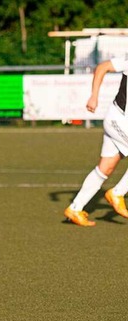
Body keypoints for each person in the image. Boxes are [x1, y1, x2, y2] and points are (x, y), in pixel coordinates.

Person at [65, 57, 128, 226]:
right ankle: (118, 193)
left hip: (118, 123)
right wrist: (94, 96)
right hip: (118, 120)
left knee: (104, 168)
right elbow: (102, 67)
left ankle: (75, 208)